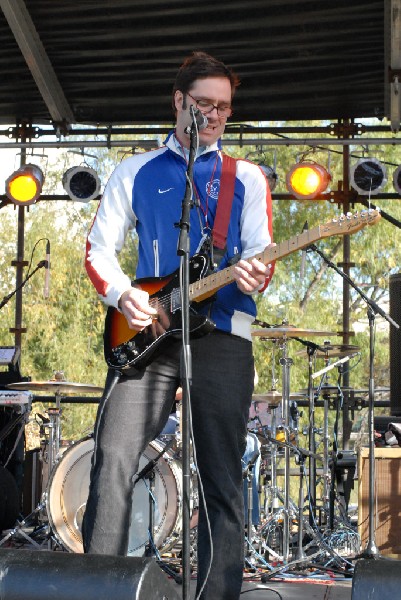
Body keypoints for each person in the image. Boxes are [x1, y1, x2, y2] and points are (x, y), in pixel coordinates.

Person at [82, 51, 274, 600]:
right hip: (147, 334)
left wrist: (257, 274)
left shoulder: (248, 177)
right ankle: (101, 588)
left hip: (224, 336)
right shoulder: (134, 171)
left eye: (224, 108)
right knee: (114, 457)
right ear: (179, 102)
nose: (214, 115)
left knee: (221, 475)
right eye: (204, 105)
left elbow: (261, 251)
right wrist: (123, 296)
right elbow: (99, 251)